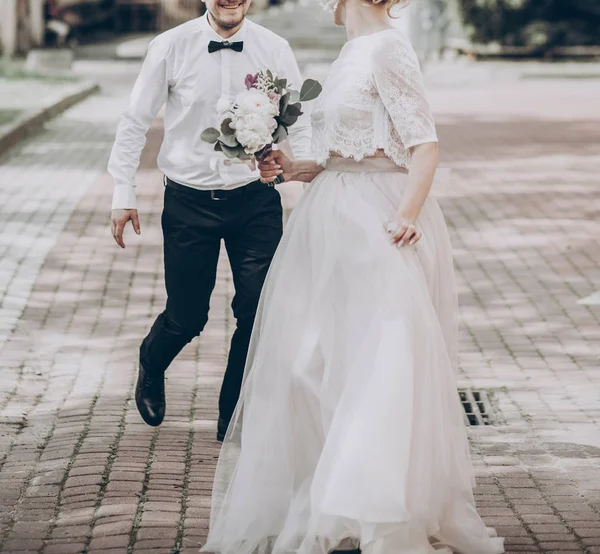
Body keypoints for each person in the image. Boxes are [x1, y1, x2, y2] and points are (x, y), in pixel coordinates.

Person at [201, 0, 506, 552]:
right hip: (328, 217)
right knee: (311, 363)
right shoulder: (349, 53)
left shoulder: (389, 49)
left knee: (377, 365)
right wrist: (293, 168)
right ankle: (335, 496)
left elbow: (424, 146)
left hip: (377, 221)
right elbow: (346, 149)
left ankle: (378, 512)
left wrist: (408, 215)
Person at [107, 0, 311, 441]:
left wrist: (305, 171)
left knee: (258, 311)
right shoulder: (169, 47)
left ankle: (230, 415)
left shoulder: (274, 49)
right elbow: (134, 122)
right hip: (188, 203)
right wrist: (124, 192)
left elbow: (302, 119)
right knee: (187, 316)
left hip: (255, 199)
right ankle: (152, 358)